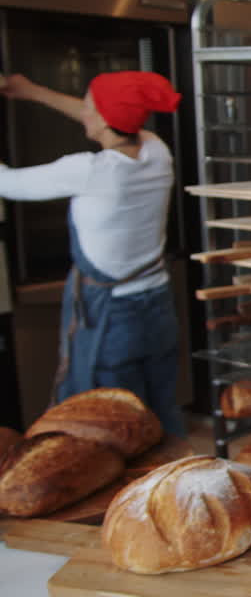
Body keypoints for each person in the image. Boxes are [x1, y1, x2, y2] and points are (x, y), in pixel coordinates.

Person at [0, 71, 184, 436]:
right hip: (158, 306)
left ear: (101, 117)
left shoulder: (89, 171)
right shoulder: (156, 152)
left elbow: (7, 183)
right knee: (160, 409)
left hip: (112, 316)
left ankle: (127, 490)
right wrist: (31, 90)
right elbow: (115, 116)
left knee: (111, 423)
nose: (81, 112)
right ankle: (172, 483)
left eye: (87, 107)